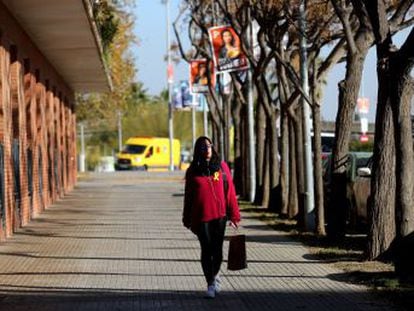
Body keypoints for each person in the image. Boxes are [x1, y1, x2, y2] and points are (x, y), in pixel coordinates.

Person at [182, 136, 241, 299]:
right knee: (206, 249)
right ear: (198, 151)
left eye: (209, 146)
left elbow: (230, 192)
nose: (207, 149)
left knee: (217, 250)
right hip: (201, 217)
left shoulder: (221, 167)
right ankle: (210, 283)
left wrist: (234, 215)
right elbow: (188, 196)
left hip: (220, 216)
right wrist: (186, 217)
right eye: (203, 147)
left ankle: (215, 275)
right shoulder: (192, 171)